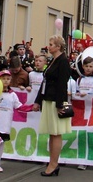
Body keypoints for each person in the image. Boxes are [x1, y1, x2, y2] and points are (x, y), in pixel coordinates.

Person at [33, 35, 71, 177]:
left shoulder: (63, 61)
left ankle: (54, 164)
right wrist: (38, 100)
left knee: (56, 133)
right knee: (51, 133)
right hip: (48, 99)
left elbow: (62, 84)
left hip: (56, 101)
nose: (49, 47)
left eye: (51, 44)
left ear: (58, 47)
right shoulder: (53, 61)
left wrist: (60, 104)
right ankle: (52, 162)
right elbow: (45, 82)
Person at [0, 69, 32, 172]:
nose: (5, 81)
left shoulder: (12, 95)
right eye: (3, 79)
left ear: (10, 80)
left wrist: (32, 108)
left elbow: (20, 107)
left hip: (6, 124)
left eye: (8, 79)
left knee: (1, 144)